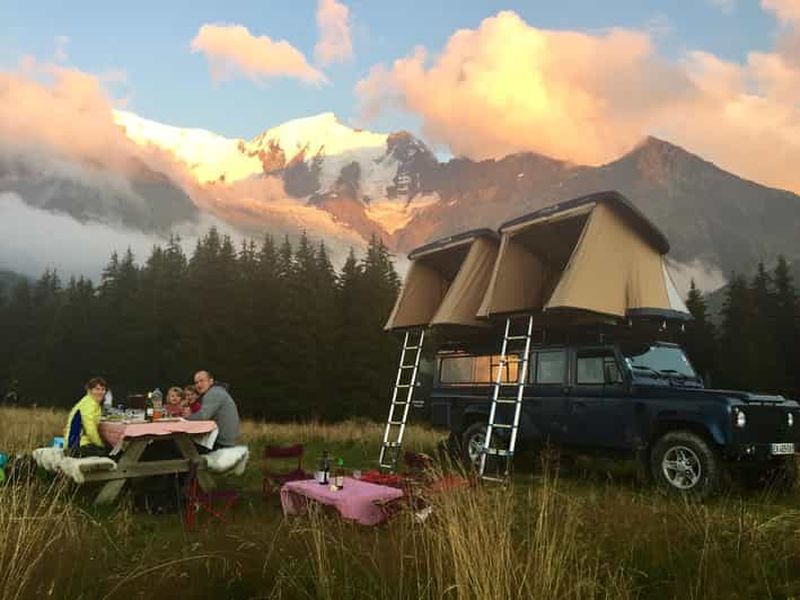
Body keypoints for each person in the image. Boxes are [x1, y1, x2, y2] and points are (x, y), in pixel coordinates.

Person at [184, 370, 240, 448]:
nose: (199, 385)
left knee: (182, 446)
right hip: (224, 440)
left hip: (222, 443)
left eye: (202, 381)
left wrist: (185, 418)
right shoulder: (216, 391)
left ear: (211, 381)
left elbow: (203, 416)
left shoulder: (214, 393)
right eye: (196, 382)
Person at [64, 377, 109, 457]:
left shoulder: (90, 402)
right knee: (110, 453)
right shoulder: (89, 404)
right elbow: (90, 429)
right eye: (97, 389)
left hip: (79, 443)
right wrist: (100, 444)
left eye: (103, 389)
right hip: (78, 446)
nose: (101, 392)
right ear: (90, 391)